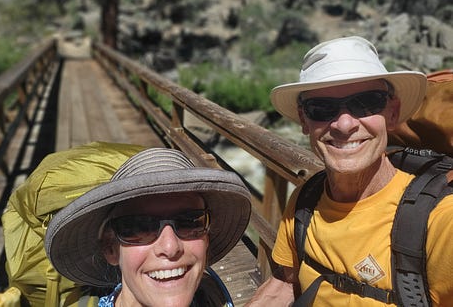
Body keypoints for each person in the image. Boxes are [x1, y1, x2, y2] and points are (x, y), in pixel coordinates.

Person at [247, 36, 453, 306]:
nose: (344, 125)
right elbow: (285, 282)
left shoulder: (439, 220)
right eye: (322, 108)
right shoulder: (305, 201)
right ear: (304, 120)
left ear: (393, 113)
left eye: (366, 103)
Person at [45, 147, 252, 307]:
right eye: (139, 228)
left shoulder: (212, 291)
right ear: (110, 249)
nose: (171, 247)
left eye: (190, 222)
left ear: (206, 236)